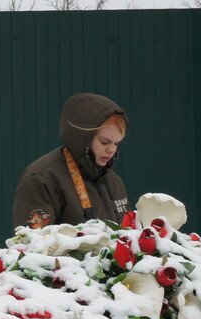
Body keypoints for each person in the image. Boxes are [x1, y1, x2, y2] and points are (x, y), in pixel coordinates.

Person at [12, 92, 129, 229]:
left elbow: (126, 234)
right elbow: (32, 240)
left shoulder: (113, 181)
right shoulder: (42, 179)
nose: (111, 150)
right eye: (104, 142)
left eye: (116, 143)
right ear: (84, 137)